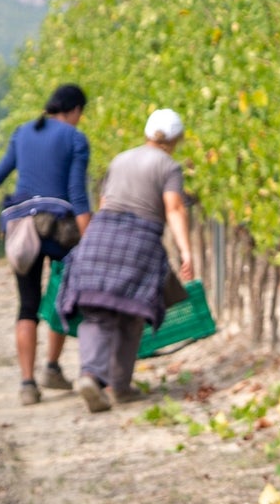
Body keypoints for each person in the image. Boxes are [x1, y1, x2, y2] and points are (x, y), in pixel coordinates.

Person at [0, 83, 92, 405]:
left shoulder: (22, 132)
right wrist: (92, 238)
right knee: (63, 297)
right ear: (74, 110)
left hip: (20, 229)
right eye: (81, 114)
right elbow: (77, 195)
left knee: (27, 305)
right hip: (59, 230)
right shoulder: (75, 139)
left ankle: (27, 384)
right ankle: (52, 367)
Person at [57, 108, 195, 413]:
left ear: (147, 134)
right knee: (131, 313)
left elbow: (104, 203)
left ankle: (90, 375)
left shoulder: (120, 159)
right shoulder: (169, 166)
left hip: (100, 235)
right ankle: (119, 386)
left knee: (98, 311)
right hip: (139, 242)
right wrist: (186, 251)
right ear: (175, 140)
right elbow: (173, 208)